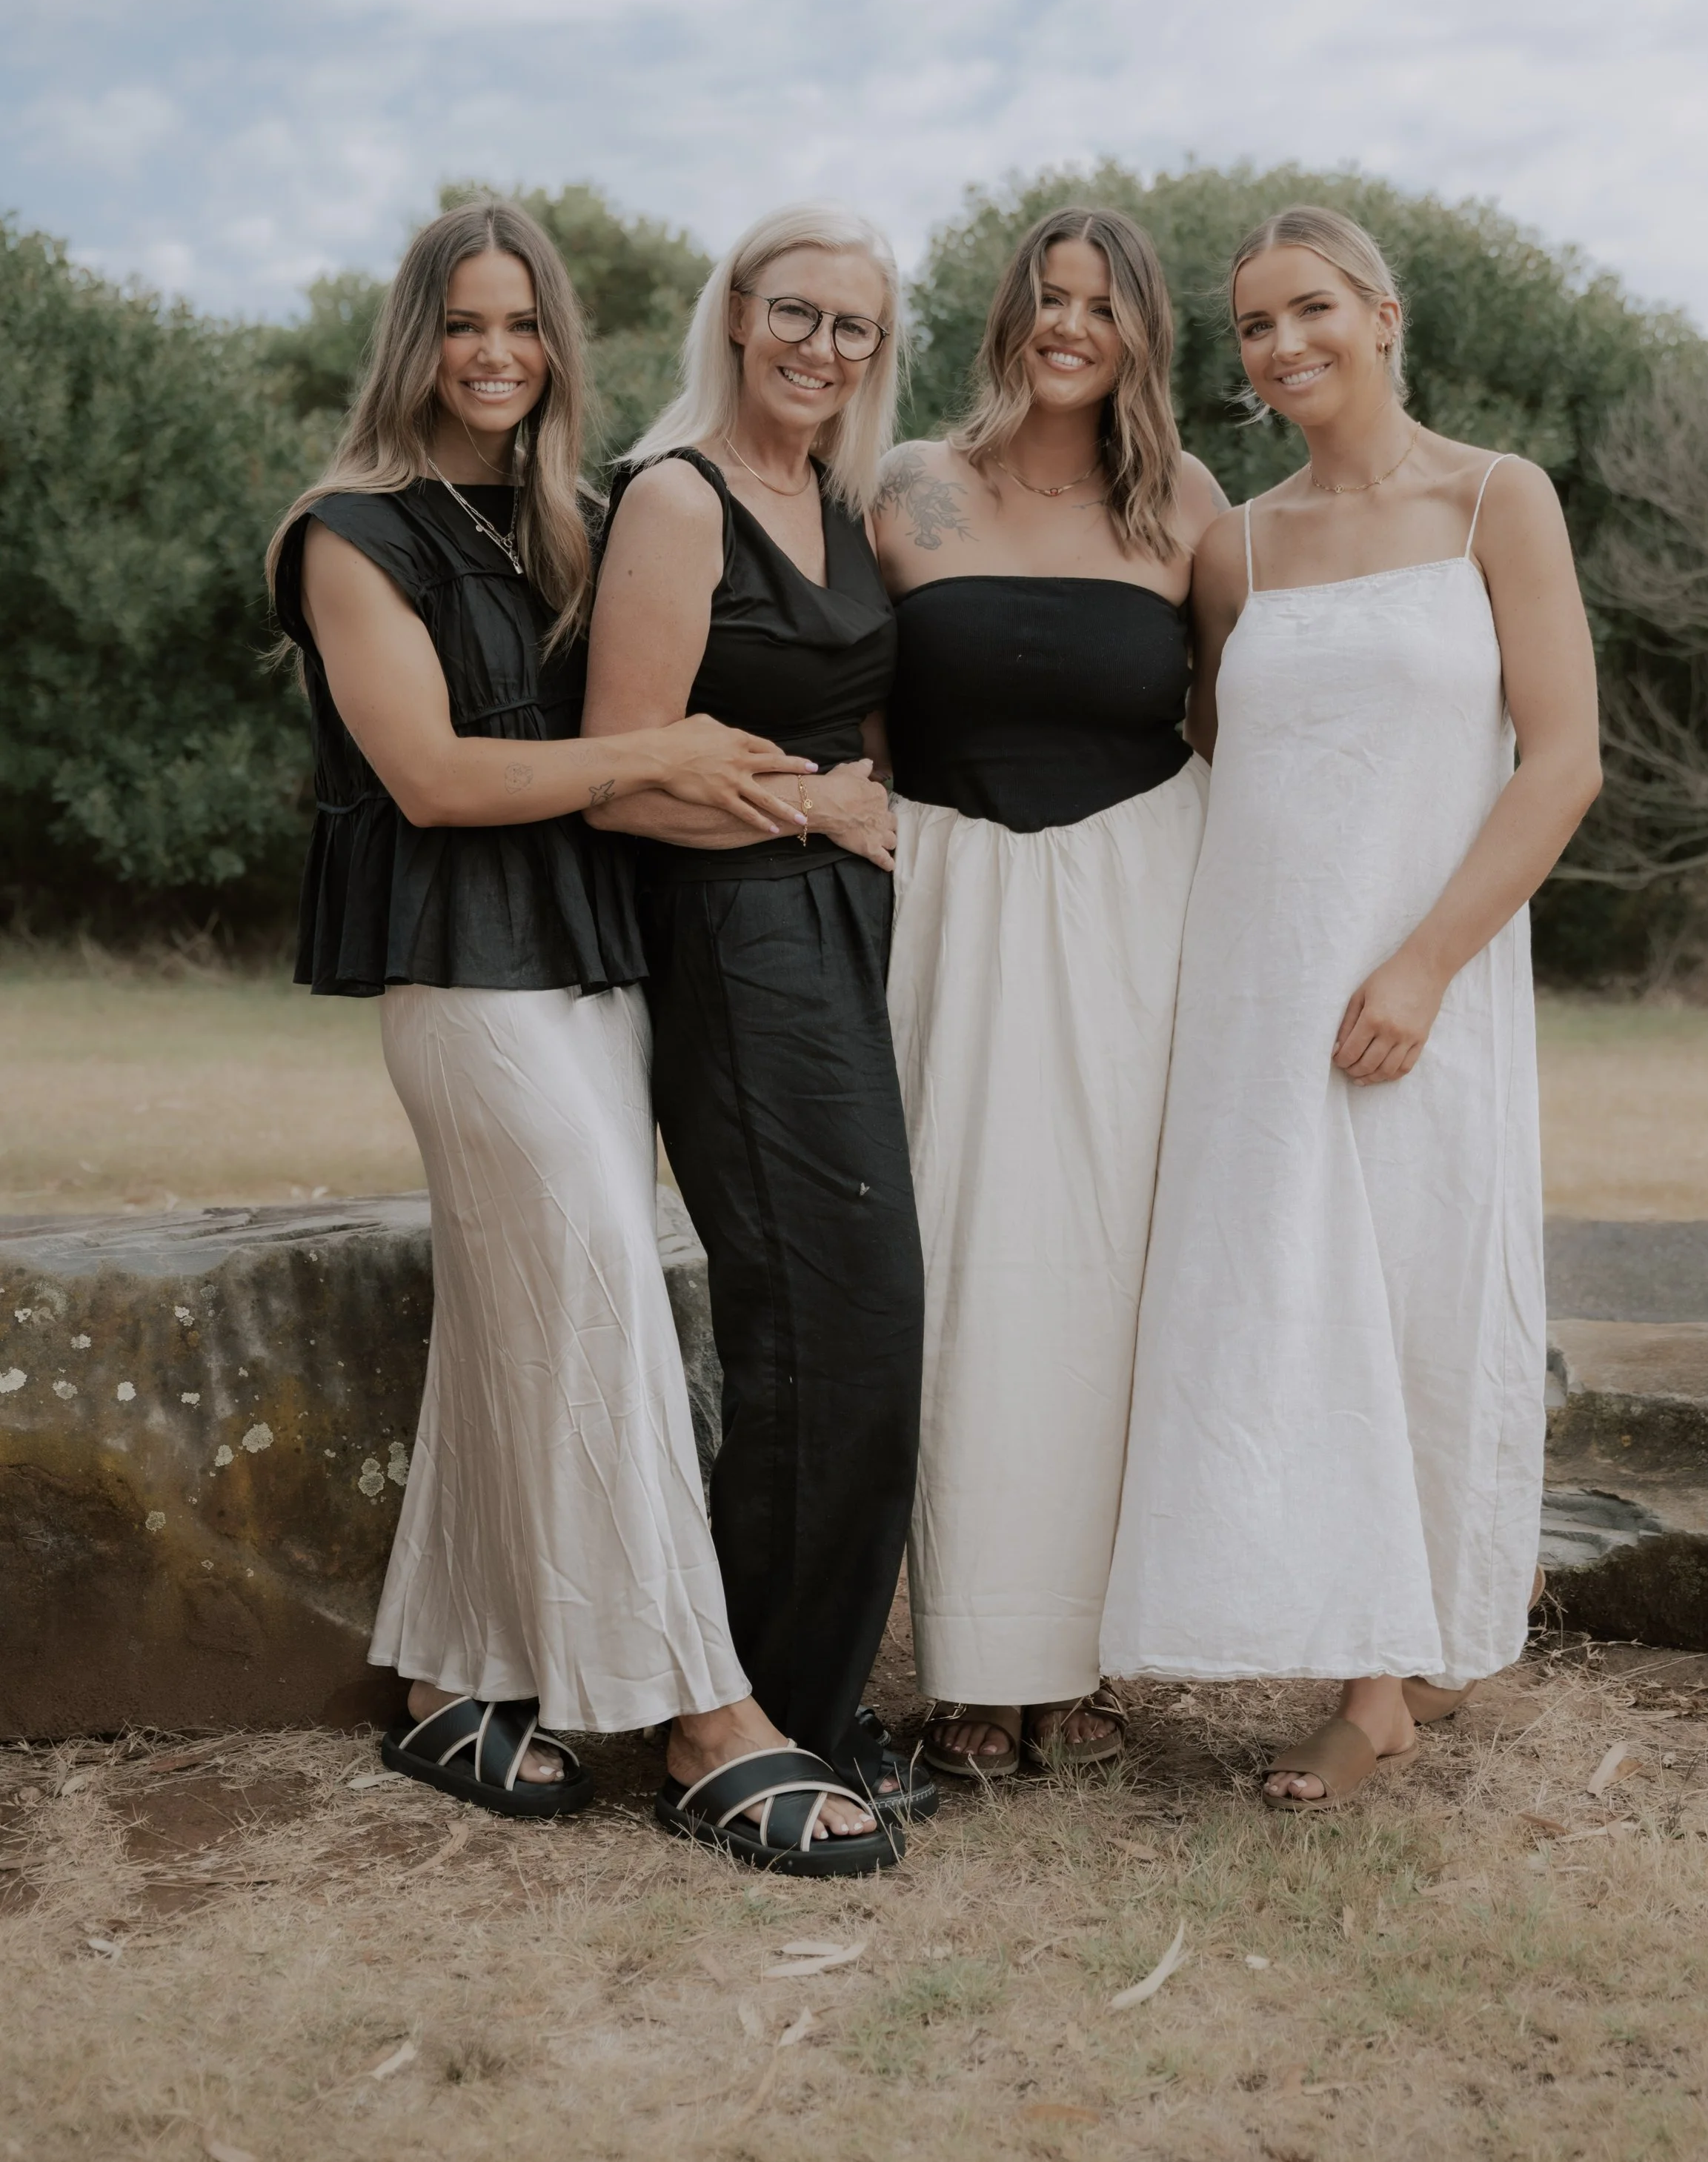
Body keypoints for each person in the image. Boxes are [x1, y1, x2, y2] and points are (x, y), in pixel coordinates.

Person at [268, 197, 887, 1866]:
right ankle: (703, 1714)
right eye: (464, 326)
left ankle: (449, 1684)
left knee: (507, 1316)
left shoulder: (564, 524)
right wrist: (657, 756)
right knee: (607, 1278)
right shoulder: (348, 532)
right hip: (462, 984)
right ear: (416, 341)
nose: (495, 356)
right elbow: (437, 779)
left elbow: (685, 723)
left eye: (524, 327)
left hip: (596, 970)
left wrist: (803, 788)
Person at [1100, 205, 1601, 1804]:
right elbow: (1199, 751)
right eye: (1251, 325)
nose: (1281, 344)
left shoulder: (1492, 500)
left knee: (1415, 1289)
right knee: (1290, 1306)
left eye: (1308, 308)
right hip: (1258, 983)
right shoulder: (1231, 545)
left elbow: (1564, 759)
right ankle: (1366, 1660)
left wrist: (1422, 962)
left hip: (1426, 978)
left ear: (1383, 315)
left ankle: (1401, 1665)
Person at [582, 203, 927, 1871]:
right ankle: (733, 1728)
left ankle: (815, 1697)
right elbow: (625, 771)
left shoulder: (847, 502)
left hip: (841, 928)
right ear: (734, 316)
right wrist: (817, 807)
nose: (821, 349)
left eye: (854, 329)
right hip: (731, 933)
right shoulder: (674, 498)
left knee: (856, 1313)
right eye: (796, 314)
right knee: (827, 1315)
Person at [874, 207, 1227, 1782]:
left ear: (1141, 331)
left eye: (1102, 304)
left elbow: (1234, 719)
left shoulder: (1186, 508)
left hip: (1132, 910)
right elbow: (843, 694)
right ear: (1005, 315)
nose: (1069, 325)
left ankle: (1083, 1662)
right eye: (1046, 297)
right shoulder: (902, 490)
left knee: (1107, 1279)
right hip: (940, 901)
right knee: (955, 1270)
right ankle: (965, 1672)